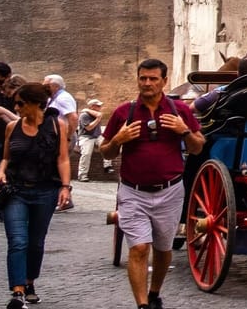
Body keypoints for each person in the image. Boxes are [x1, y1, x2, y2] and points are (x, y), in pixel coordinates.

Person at [101, 58, 205, 309]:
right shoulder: (123, 112)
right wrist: (118, 139)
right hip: (132, 192)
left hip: (169, 191)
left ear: (163, 81)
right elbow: (105, 152)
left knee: (163, 249)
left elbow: (198, 147)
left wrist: (184, 130)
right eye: (143, 78)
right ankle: (142, 305)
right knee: (138, 248)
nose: (147, 83)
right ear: (138, 79)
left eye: (153, 79)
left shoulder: (179, 111)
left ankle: (155, 292)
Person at [0, 82, 72, 308]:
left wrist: (65, 187)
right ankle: (17, 292)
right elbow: (6, 157)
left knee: (36, 243)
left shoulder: (57, 125)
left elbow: (63, 158)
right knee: (18, 241)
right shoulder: (12, 128)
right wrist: (0, 173)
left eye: (20, 103)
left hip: (45, 191)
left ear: (36, 104)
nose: (16, 107)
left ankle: (29, 283)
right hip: (16, 190)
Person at [74, 99, 104, 182]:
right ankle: (82, 175)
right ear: (92, 107)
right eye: (98, 106)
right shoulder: (84, 115)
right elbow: (88, 127)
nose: (100, 107)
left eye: (100, 106)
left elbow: (100, 114)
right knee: (86, 153)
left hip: (97, 136)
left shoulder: (96, 114)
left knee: (107, 146)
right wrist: (98, 119)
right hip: (86, 137)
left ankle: (107, 166)